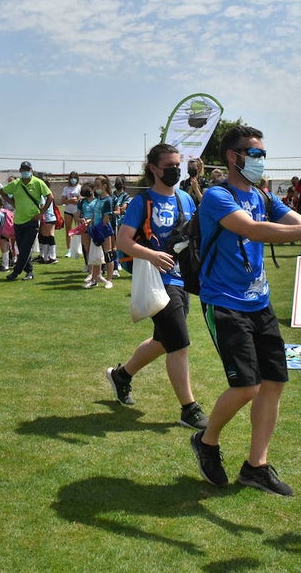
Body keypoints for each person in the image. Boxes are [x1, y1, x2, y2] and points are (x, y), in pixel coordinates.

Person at [190, 124, 301, 494]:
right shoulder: (217, 195)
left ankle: (256, 466)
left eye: (263, 153)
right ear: (234, 157)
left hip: (258, 302)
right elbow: (253, 231)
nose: (262, 160)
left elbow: (298, 222)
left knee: (274, 382)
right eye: (255, 154)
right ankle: (207, 441)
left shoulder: (261, 195)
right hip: (225, 303)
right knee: (246, 385)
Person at [107, 143, 208, 431]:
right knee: (180, 343)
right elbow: (124, 240)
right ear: (153, 168)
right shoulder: (142, 201)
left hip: (181, 278)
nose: (176, 170)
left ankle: (121, 375)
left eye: (178, 164)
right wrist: (151, 255)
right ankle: (189, 409)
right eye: (170, 166)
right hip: (156, 281)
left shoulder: (186, 200)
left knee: (163, 341)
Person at [1, 161, 53, 281]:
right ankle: (29, 271)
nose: (25, 171)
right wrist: (11, 203)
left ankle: (16, 272)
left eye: (27, 169)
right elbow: (2, 191)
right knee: (23, 248)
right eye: (23, 169)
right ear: (20, 171)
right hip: (18, 221)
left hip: (32, 220)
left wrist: (42, 213)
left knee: (25, 248)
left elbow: (50, 197)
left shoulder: (38, 183)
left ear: (31, 170)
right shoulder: (16, 183)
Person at [60, 171, 82, 252]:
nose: (73, 179)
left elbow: (82, 198)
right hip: (68, 211)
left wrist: (78, 200)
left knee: (78, 230)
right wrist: (70, 200)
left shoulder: (79, 188)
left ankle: (78, 248)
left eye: (75, 178)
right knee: (68, 230)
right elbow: (62, 201)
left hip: (77, 211)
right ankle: (69, 249)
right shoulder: (66, 188)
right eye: (72, 178)